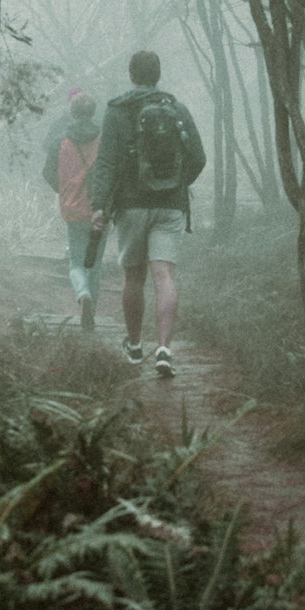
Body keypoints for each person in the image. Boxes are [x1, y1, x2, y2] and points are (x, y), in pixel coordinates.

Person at [90, 50, 205, 378]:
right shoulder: (177, 109)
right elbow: (197, 156)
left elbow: (107, 163)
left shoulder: (117, 111)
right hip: (170, 206)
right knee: (164, 275)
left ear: (131, 75)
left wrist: (99, 205)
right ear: (157, 74)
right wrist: (177, 185)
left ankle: (136, 344)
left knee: (134, 277)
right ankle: (165, 349)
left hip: (131, 206)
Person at [42, 88, 106, 330]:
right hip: (99, 209)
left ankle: (82, 294)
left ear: (72, 111)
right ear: (92, 112)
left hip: (72, 209)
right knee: (96, 264)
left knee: (76, 262)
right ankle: (91, 316)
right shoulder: (103, 140)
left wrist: (65, 191)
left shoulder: (61, 142)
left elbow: (48, 172)